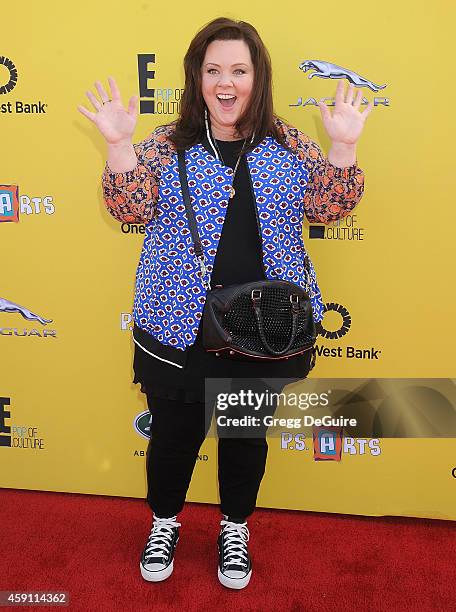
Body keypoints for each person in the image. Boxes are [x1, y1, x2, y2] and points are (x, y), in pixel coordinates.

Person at [77, 17, 371, 590]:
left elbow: (330, 207)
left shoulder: (289, 144)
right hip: (178, 324)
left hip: (262, 329)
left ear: (258, 77)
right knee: (172, 439)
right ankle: (164, 522)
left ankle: (234, 528)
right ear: (196, 78)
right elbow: (129, 208)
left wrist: (344, 144)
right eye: (214, 70)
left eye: (239, 69)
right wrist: (117, 145)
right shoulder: (169, 144)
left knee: (243, 438)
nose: (226, 82)